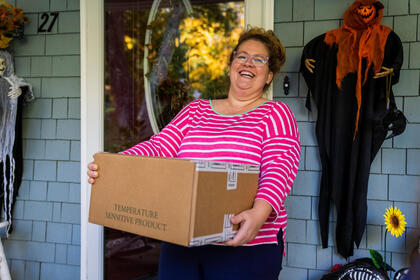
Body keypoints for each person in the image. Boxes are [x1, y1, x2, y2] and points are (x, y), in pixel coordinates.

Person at [88, 27, 300, 280]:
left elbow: (279, 167)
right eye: (241, 56)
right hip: (183, 239)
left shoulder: (275, 114)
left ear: (269, 76)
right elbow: (159, 147)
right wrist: (115, 165)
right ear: (231, 64)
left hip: (246, 243)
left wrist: (260, 213)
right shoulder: (195, 111)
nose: (248, 63)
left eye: (259, 59)